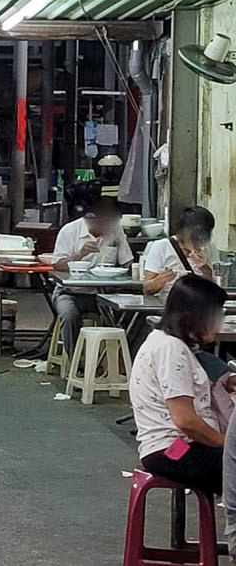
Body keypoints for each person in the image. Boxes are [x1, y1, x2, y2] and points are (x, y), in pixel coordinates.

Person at [130, 275, 232, 495]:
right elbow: (186, 422)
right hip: (173, 450)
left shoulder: (170, 343)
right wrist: (227, 444)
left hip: (177, 447)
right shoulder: (171, 349)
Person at [51, 195, 134, 358]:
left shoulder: (116, 231)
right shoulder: (70, 231)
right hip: (70, 293)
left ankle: (113, 362)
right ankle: (75, 363)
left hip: (104, 294)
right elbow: (57, 266)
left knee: (129, 316)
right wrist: (80, 254)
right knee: (69, 316)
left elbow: (127, 262)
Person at [144, 205, 219, 298]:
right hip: (169, 305)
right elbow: (147, 288)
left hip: (200, 305)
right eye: (196, 235)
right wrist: (161, 279)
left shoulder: (210, 248)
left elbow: (214, 289)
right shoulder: (161, 246)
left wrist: (205, 268)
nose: (201, 239)